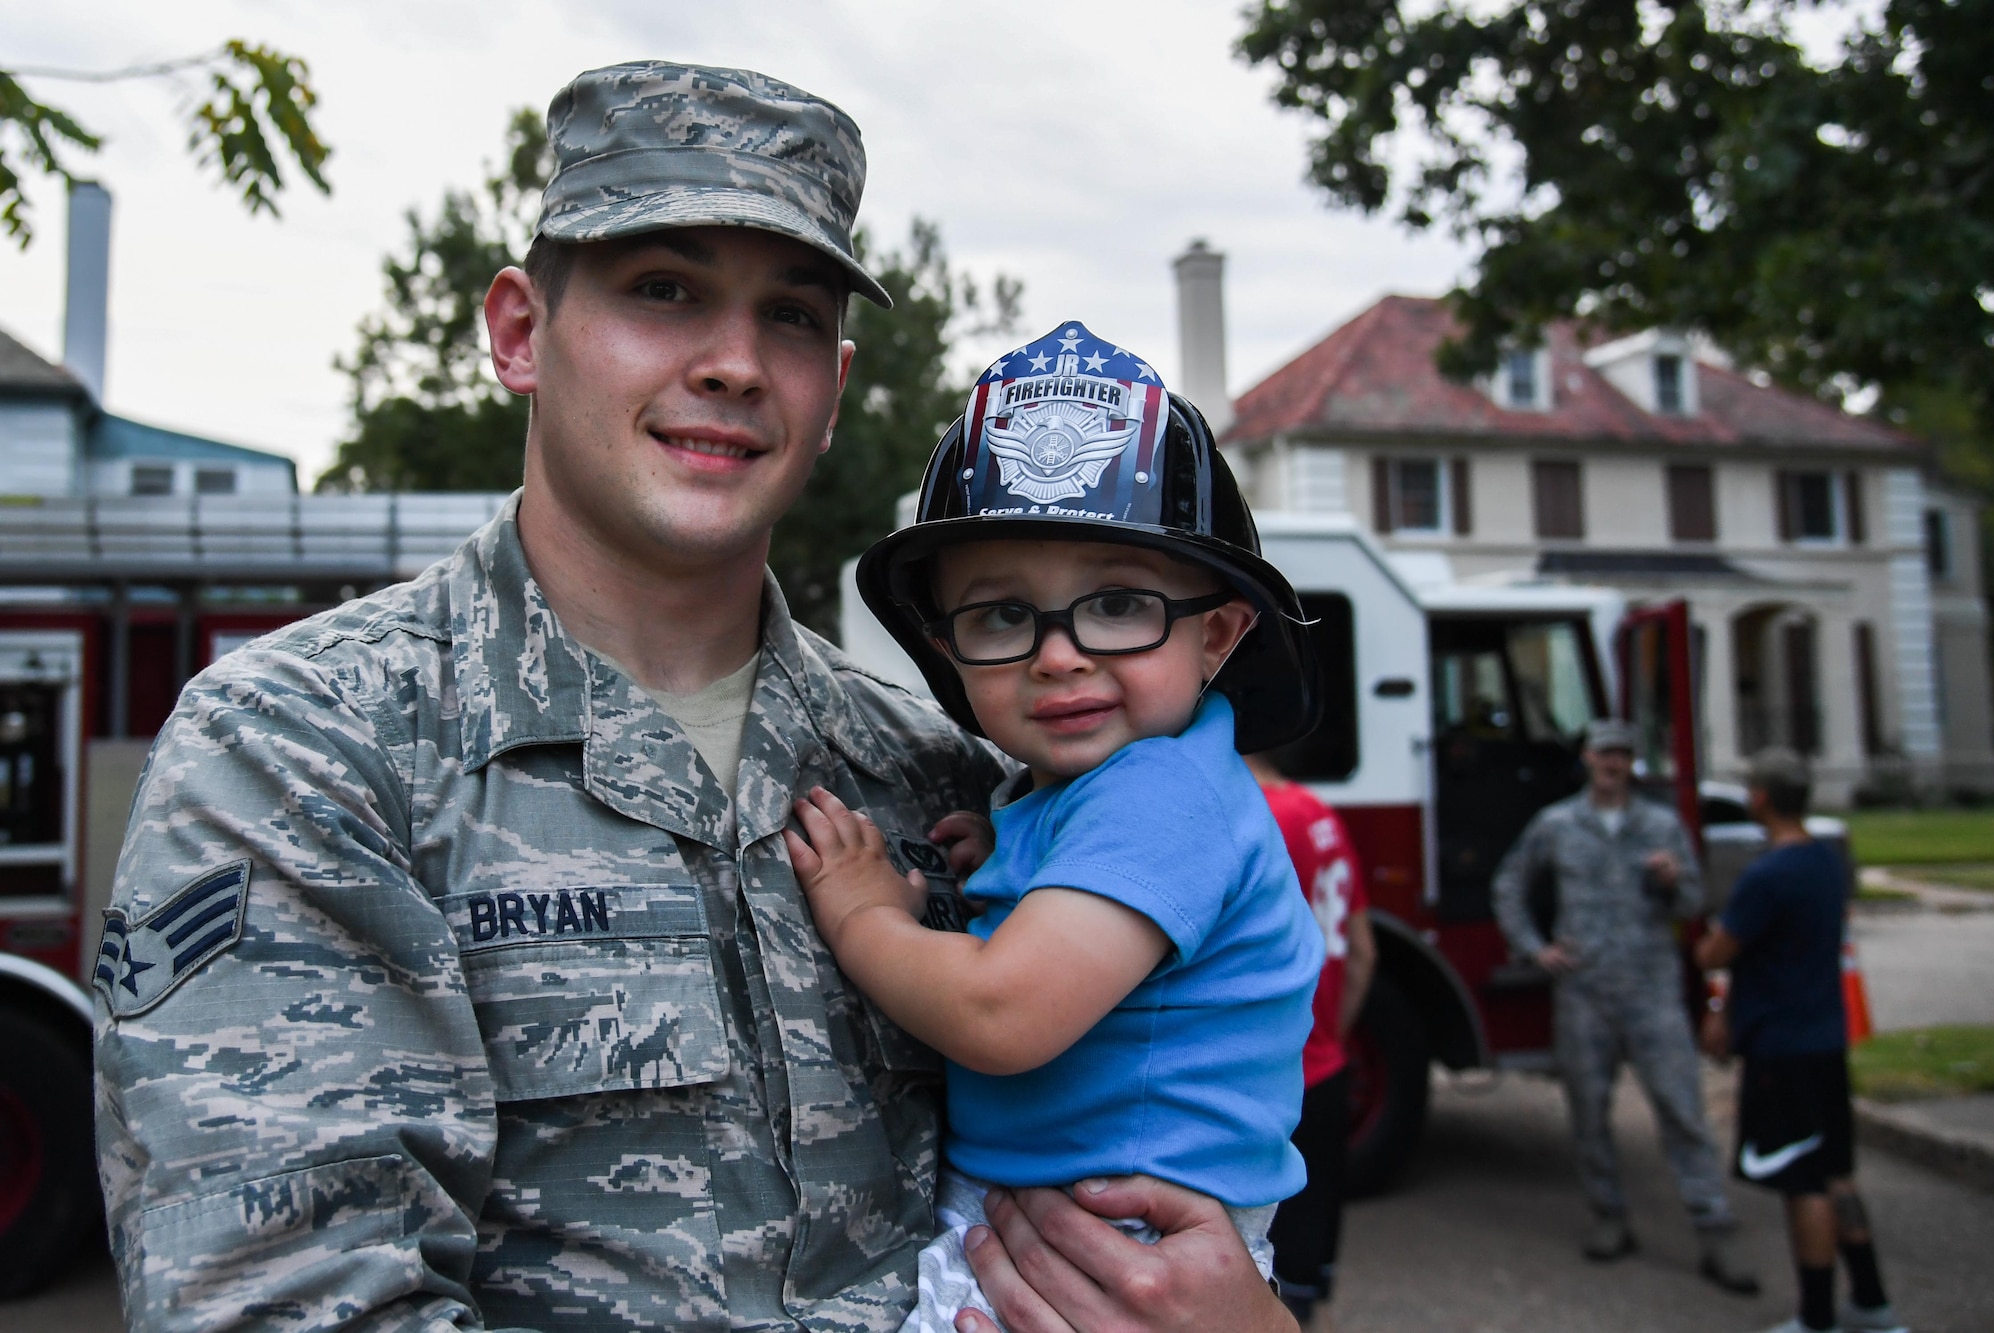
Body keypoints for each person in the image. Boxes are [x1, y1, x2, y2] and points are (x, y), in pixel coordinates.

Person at [90, 62, 1298, 1333]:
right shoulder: (307, 748)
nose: (731, 363)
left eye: (786, 316)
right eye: (662, 290)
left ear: (831, 388)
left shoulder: (935, 774)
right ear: (517, 332)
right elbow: (288, 1304)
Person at [784, 322, 1327, 1331]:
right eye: (999, 616)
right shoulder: (1082, 797)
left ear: (1217, 632)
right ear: (946, 647)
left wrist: (864, 914)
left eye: (1117, 605)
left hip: (1112, 1254)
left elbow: (1001, 1013)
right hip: (1068, 1221)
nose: (1058, 655)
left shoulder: (1159, 795)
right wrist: (1012, 857)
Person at [1491, 717, 1758, 1294]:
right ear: (1586, 758)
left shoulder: (1660, 825)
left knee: (1682, 1109)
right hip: (1584, 992)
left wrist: (1672, 880)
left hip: (1651, 988)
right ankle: (1609, 1217)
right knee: (1588, 1114)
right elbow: (1509, 882)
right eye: (1603, 753)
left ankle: (1713, 1228)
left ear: (1631, 763)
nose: (1612, 763)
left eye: (1622, 755)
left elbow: (1692, 900)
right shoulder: (1559, 824)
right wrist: (1537, 949)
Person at [1695, 749, 1906, 1333]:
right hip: (1824, 1038)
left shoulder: (1766, 876)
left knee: (1801, 1184)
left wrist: (1707, 947)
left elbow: (1718, 952)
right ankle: (1871, 1301)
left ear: (1759, 799)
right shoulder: (1823, 864)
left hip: (1780, 1049)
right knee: (1837, 1173)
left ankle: (1816, 1318)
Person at [1245, 753, 1376, 1326]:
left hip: (1269, 1075)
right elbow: (1364, 948)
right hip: (1325, 1062)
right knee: (1310, 1246)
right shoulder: (1318, 809)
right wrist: (1332, 1037)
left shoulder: (1248, 813)